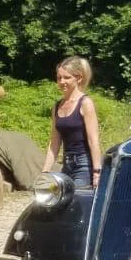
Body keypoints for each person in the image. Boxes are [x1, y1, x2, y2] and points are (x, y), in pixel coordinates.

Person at [42, 56, 103, 188]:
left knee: (77, 202)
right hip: (67, 165)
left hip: (84, 165)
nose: (62, 81)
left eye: (67, 77)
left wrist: (97, 172)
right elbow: (54, 144)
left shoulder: (85, 103)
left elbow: (94, 141)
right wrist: (45, 172)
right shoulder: (57, 106)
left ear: (79, 78)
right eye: (59, 78)